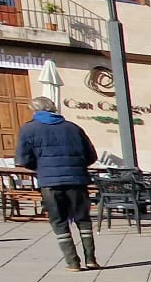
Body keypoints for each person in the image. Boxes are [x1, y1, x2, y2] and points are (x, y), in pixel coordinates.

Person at [14, 96, 100, 271]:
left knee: (59, 221)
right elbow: (91, 156)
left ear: (34, 110)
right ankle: (91, 259)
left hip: (49, 181)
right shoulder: (73, 128)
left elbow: (22, 159)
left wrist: (41, 167)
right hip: (77, 180)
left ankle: (72, 262)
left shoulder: (28, 129)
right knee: (83, 220)